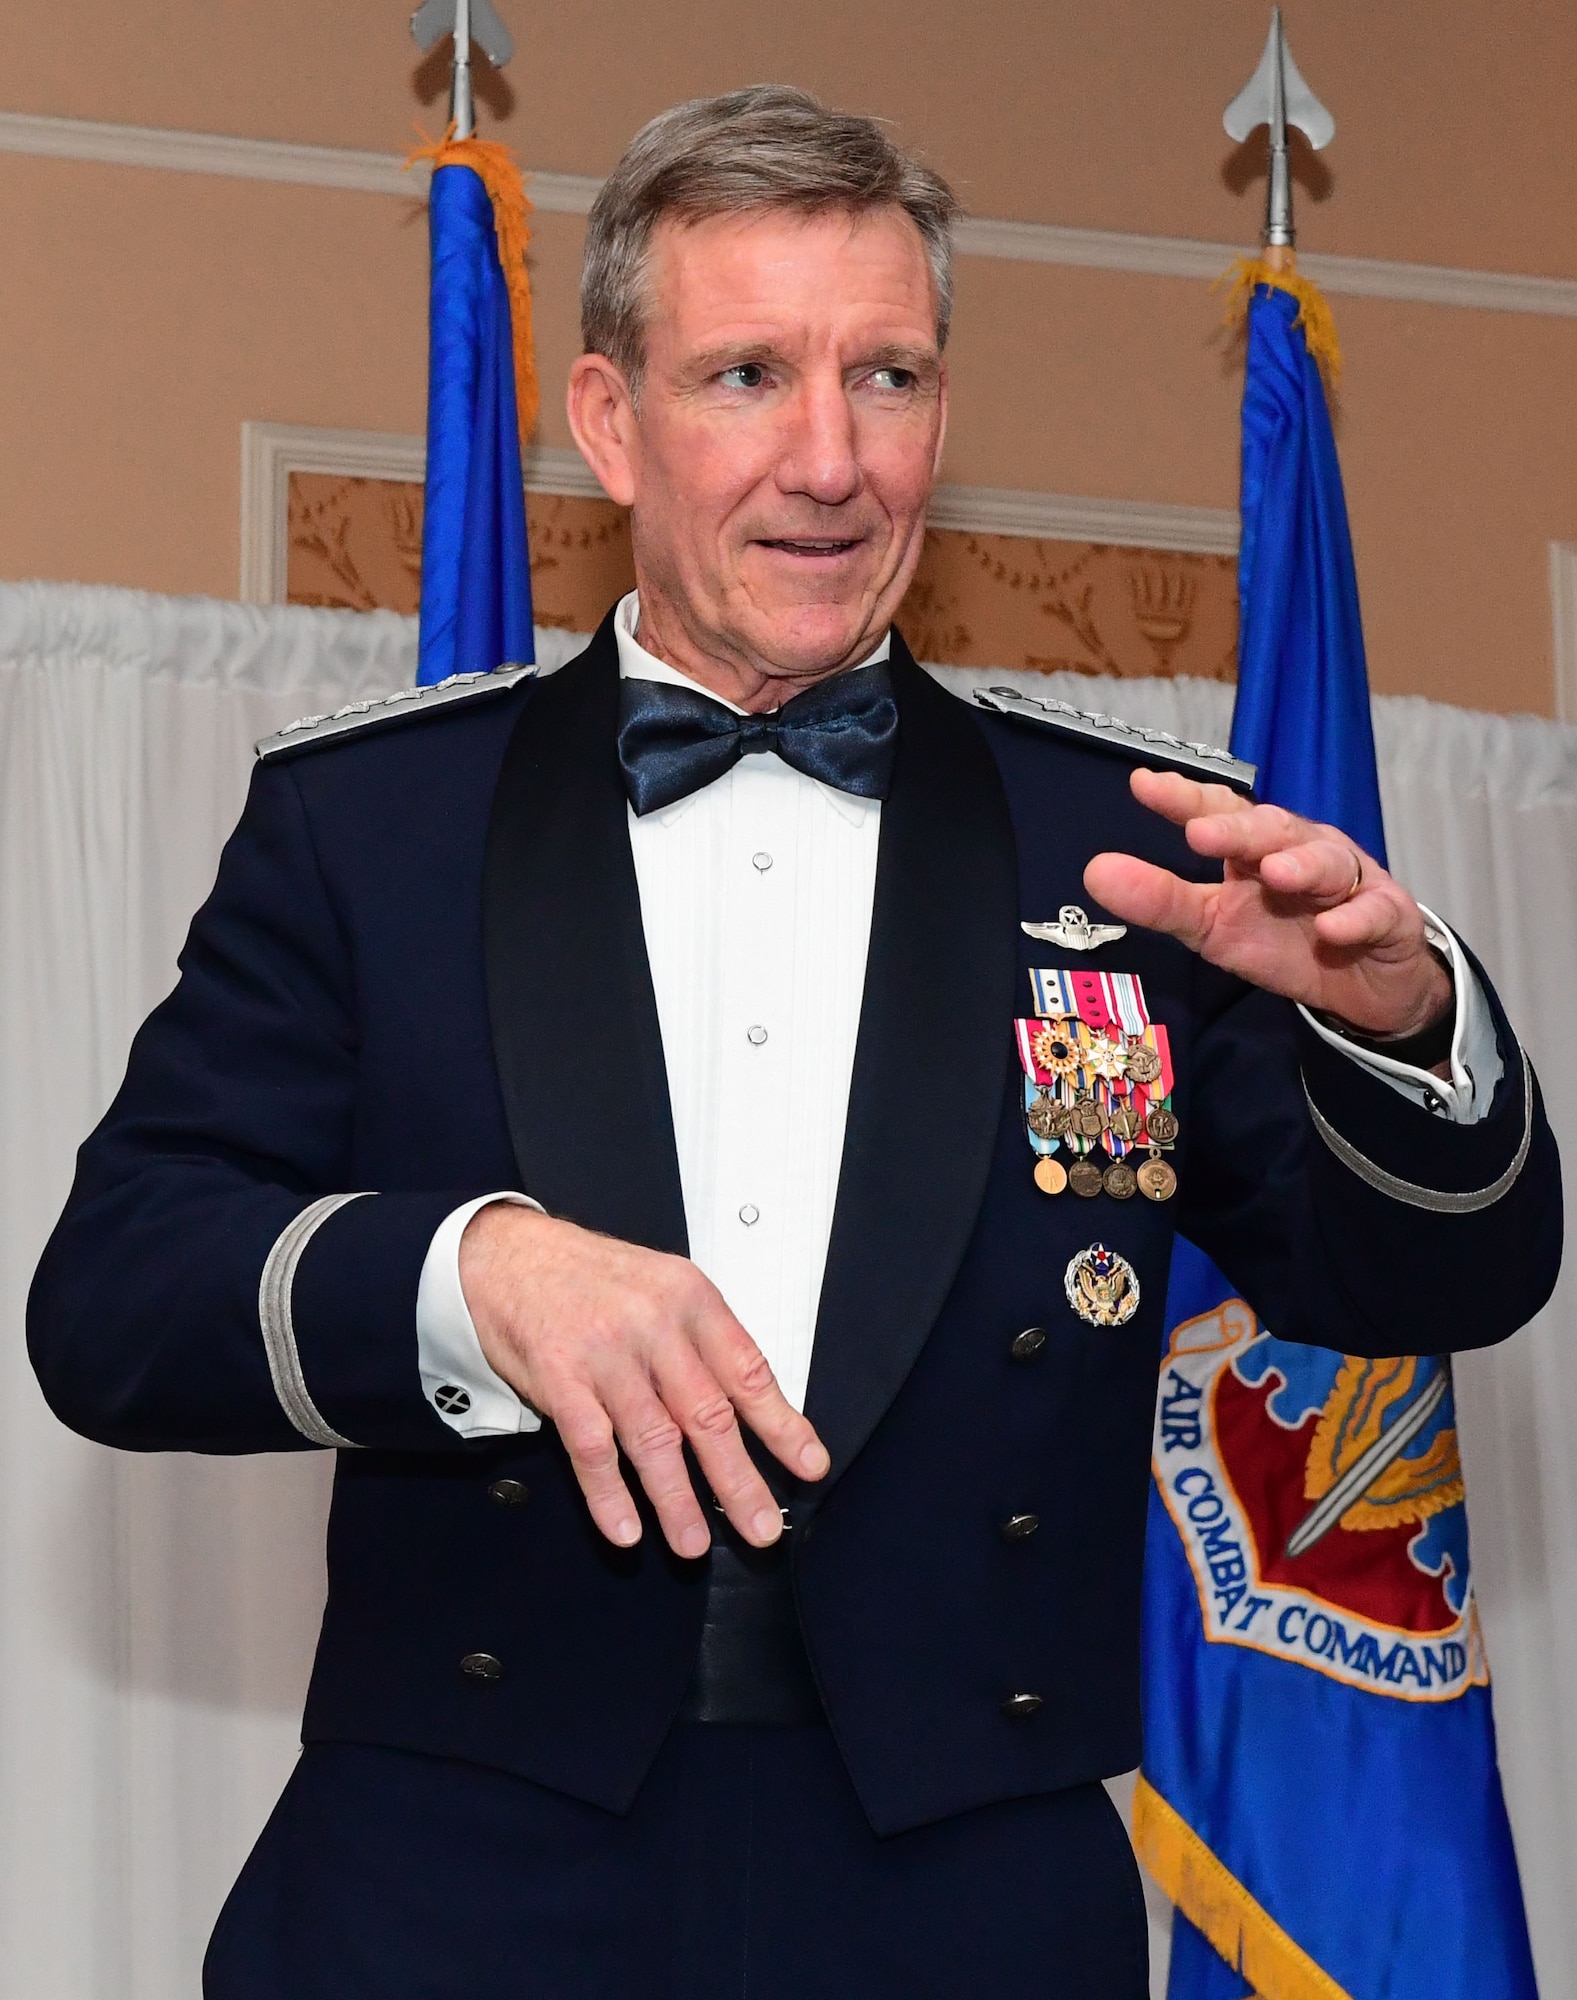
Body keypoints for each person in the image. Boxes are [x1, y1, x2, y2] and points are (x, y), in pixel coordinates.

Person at [29, 86, 1560, 2000]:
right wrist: (468, 1274)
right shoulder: (375, 826)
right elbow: (111, 1302)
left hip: (967, 1892)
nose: (828, 461)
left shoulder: (1130, 847)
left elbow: (1439, 1279)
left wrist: (1408, 1020)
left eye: (888, 378)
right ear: (609, 421)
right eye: (747, 374)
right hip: (462, 1875)